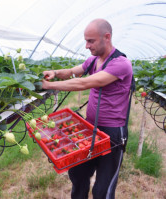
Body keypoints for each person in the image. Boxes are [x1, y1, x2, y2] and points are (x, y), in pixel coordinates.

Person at [42, 18, 133, 199]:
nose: (86, 46)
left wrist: (49, 85)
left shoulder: (121, 63)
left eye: (90, 41)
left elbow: (84, 82)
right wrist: (56, 73)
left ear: (106, 37)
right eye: (85, 40)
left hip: (112, 134)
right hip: (89, 128)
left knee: (103, 190)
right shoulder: (93, 61)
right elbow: (73, 71)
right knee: (78, 177)